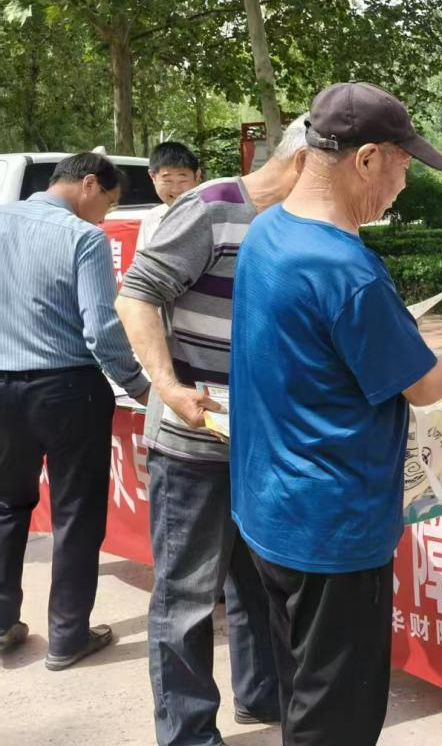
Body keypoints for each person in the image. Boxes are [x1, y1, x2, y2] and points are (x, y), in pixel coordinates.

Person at [229, 82, 442, 746]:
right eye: (402, 164)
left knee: (302, 688)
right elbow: (425, 386)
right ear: (366, 160)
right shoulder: (347, 271)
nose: (402, 183)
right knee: (337, 718)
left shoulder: (268, 231)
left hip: (267, 507)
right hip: (332, 529)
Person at [114, 116, 308, 746]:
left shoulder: (296, 224)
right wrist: (167, 388)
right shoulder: (211, 207)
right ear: (305, 162)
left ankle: (262, 695)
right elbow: (136, 296)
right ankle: (188, 732)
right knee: (188, 596)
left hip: (262, 442)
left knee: (261, 585)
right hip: (194, 441)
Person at [0, 153, 150, 669]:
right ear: (89, 184)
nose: (105, 216)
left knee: (6, 505)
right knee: (76, 514)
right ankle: (67, 637)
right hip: (67, 390)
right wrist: (140, 386)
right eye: (108, 202)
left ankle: (1, 623)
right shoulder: (83, 238)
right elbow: (101, 328)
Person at [136, 141, 202, 252]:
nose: (176, 189)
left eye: (183, 180)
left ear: (197, 176)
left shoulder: (211, 216)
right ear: (153, 177)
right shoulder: (152, 218)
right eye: (167, 181)